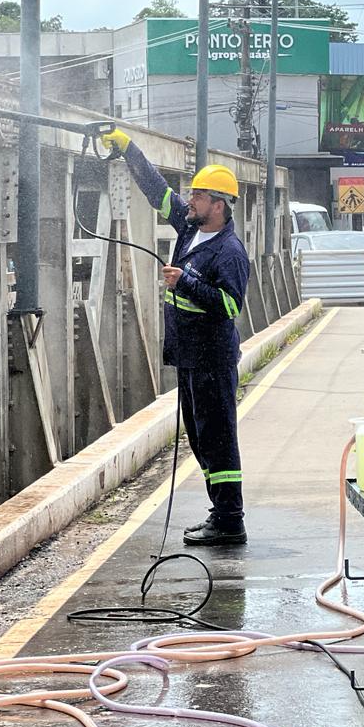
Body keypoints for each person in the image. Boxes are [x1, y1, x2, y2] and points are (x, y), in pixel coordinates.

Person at [100, 128, 251, 546]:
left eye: (199, 196)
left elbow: (230, 306)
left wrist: (184, 283)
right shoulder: (190, 230)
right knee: (201, 435)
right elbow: (157, 190)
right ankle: (221, 512)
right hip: (188, 356)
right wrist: (129, 150)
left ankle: (230, 519)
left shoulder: (229, 252)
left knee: (217, 437)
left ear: (217, 205)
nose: (190, 200)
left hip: (212, 359)